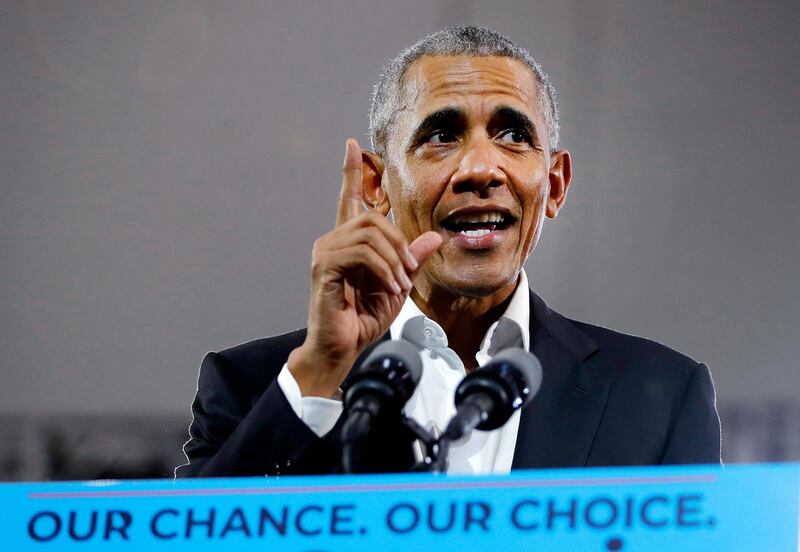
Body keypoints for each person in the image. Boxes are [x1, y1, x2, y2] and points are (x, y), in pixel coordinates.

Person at [175, 26, 721, 478]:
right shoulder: (251, 386)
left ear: (554, 185)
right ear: (376, 183)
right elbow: (187, 542)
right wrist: (319, 371)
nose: (481, 169)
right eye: (440, 137)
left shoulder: (661, 396)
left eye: (512, 135)